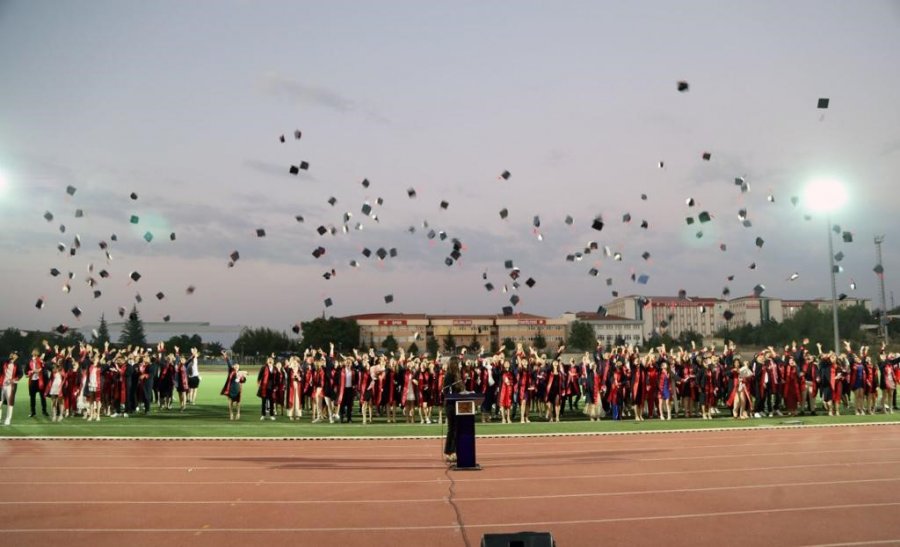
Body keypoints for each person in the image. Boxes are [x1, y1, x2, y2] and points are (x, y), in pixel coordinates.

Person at [442, 356, 463, 463]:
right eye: (458, 363)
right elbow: (446, 392)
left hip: (458, 405)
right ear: (453, 364)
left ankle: (453, 451)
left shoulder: (457, 375)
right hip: (450, 406)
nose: (459, 365)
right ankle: (448, 452)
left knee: (456, 430)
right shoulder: (448, 376)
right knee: (451, 429)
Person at [26, 348, 49, 418]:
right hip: (32, 381)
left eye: (36, 352)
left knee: (43, 397)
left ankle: (44, 411)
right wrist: (31, 371)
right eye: (34, 351)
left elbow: (44, 367)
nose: (35, 352)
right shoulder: (29, 361)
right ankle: (33, 412)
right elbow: (26, 371)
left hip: (40, 381)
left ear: (38, 353)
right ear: (32, 353)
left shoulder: (40, 360)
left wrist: (40, 369)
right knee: (32, 397)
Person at [0, 352, 21, 426]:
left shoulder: (17, 364)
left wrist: (13, 380)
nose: (13, 355)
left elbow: (20, 374)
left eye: (15, 354)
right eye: (12, 354)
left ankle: (8, 419)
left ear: (17, 357)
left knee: (10, 402)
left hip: (10, 386)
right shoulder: (4, 362)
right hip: (1, 384)